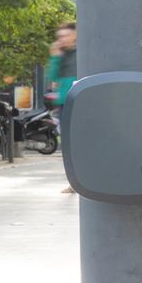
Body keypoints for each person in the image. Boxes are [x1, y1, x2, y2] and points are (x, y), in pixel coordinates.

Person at [48, 22, 76, 192]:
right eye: (60, 37)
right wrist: (55, 57)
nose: (62, 39)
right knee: (68, 145)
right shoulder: (61, 55)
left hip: (82, 103)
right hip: (65, 105)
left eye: (65, 35)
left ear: (75, 35)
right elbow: (52, 79)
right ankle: (73, 182)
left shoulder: (83, 53)